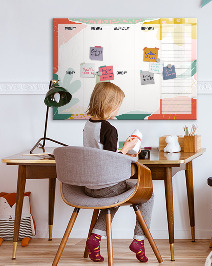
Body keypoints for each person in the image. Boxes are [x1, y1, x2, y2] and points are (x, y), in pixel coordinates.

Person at [83, 82, 153, 263]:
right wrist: (127, 148)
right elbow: (111, 161)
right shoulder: (109, 129)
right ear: (109, 105)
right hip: (106, 186)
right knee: (148, 194)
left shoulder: (88, 125)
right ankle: (139, 240)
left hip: (89, 186)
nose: (118, 109)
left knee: (113, 197)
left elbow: (100, 155)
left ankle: (95, 238)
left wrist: (122, 150)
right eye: (118, 105)